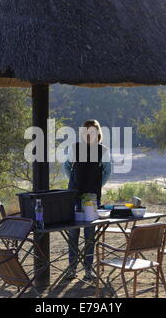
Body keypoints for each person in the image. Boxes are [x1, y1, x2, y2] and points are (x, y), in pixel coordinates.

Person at [63, 119, 112, 280]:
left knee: (90, 234)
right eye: (86, 132)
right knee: (73, 234)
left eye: (92, 132)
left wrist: (97, 185)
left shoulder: (103, 150)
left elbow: (107, 171)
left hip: (92, 198)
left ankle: (88, 269)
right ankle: (71, 268)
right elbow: (66, 166)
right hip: (74, 197)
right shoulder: (75, 148)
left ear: (97, 133)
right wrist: (74, 183)